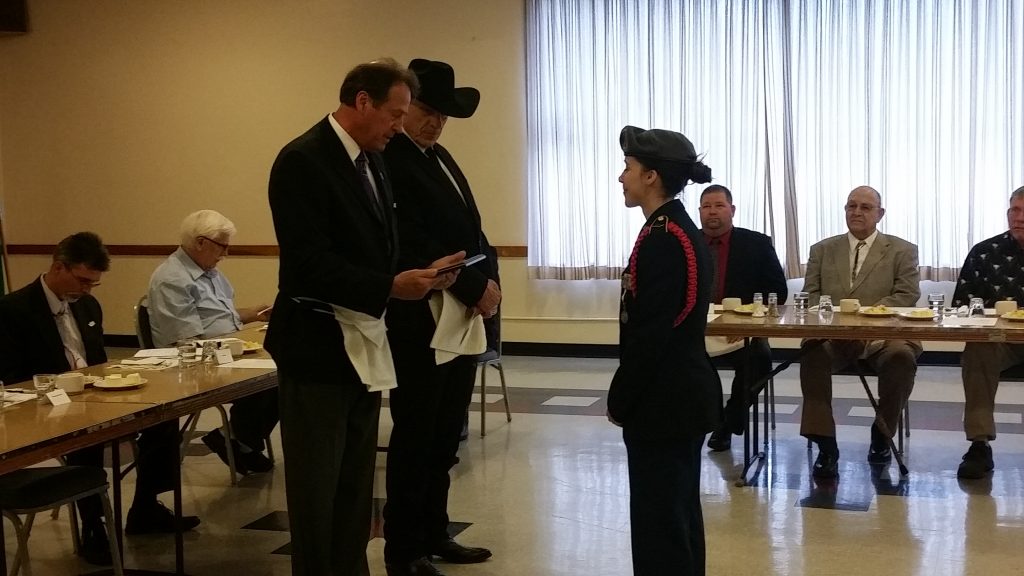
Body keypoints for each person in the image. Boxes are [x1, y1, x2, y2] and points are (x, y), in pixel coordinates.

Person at [265, 59, 461, 576]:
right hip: (317, 345)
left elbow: (377, 247)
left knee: (355, 484)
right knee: (316, 488)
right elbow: (308, 263)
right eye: (394, 114)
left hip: (365, 341)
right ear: (362, 102)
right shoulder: (304, 160)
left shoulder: (373, 161)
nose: (398, 126)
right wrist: (389, 286)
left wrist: (418, 274)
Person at [0, 233, 199, 566]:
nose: (86, 290)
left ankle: (145, 507)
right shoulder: (14, 309)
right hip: (46, 406)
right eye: (82, 280)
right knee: (88, 437)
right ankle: (93, 524)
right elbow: (13, 374)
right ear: (58, 267)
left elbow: (97, 361)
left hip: (93, 395)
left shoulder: (88, 305)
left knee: (163, 419)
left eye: (93, 284)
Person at [380, 59, 499, 576]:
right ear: (406, 107)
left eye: (443, 116)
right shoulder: (392, 160)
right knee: (417, 436)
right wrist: (477, 284)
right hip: (420, 319)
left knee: (446, 433)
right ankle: (404, 548)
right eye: (427, 111)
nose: (434, 123)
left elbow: (472, 234)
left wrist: (489, 284)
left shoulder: (440, 156)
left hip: (460, 315)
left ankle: (435, 530)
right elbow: (415, 243)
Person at [606, 126, 721, 576]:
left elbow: (651, 335)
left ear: (651, 176)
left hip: (664, 400)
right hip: (679, 395)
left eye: (628, 169)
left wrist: (622, 398)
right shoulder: (675, 229)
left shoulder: (664, 237)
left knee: (661, 525)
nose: (622, 178)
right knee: (676, 517)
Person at [799, 186, 921, 479]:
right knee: (812, 355)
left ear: (880, 214)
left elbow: (906, 295)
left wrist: (867, 318)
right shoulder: (822, 249)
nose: (856, 212)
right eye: (851, 206)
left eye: (865, 207)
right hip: (835, 336)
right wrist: (840, 322)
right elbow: (810, 296)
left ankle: (882, 432)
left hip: (885, 336)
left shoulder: (903, 250)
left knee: (901, 357)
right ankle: (825, 443)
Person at [147, 209, 277, 475]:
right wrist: (237, 347)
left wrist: (254, 313)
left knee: (287, 372)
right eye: (223, 246)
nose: (225, 254)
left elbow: (218, 317)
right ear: (200, 242)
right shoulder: (173, 279)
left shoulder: (209, 272)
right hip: (195, 364)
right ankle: (237, 441)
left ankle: (239, 440)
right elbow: (187, 342)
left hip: (227, 350)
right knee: (272, 380)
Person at [699, 184, 788, 451]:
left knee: (759, 359)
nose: (712, 212)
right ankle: (698, 421)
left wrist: (748, 324)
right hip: (694, 333)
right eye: (706, 206)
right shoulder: (685, 243)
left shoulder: (756, 244)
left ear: (732, 210)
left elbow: (777, 292)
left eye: (719, 205)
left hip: (740, 331)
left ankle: (727, 421)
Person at [952, 185, 1024, 479]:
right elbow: (960, 306)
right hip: (999, 341)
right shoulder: (985, 252)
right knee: (978, 348)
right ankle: (979, 444)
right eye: (1014, 211)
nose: (1018, 218)